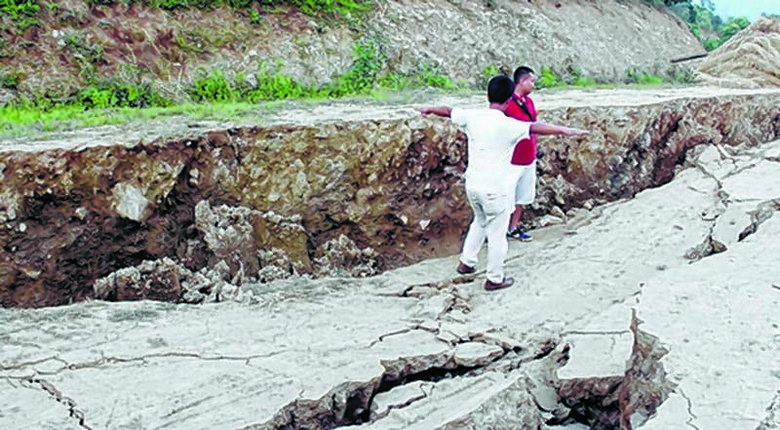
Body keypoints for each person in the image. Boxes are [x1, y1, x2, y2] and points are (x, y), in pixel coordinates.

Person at [419, 75, 587, 291]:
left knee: (480, 222)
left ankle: (467, 262)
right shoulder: (509, 125)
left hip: (473, 186)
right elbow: (535, 127)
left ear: (487, 96)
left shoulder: (473, 117)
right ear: (509, 100)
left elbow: (448, 110)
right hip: (495, 190)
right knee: (497, 235)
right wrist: (566, 130)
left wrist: (429, 108)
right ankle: (494, 278)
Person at [505, 66, 542, 242]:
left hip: (528, 157)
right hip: (512, 159)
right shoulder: (508, 103)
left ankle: (513, 227)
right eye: (531, 81)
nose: (533, 84)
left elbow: (534, 124)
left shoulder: (529, 102)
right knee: (506, 196)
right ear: (522, 81)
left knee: (522, 196)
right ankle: (501, 228)